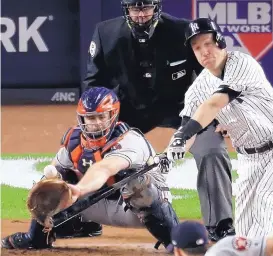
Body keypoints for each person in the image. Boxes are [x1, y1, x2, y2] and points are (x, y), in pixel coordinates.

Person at [83, 0, 235, 241]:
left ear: (157, 7)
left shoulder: (183, 31)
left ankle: (220, 225)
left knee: (211, 149)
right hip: (130, 109)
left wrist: (224, 116)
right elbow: (93, 83)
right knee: (92, 145)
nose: (141, 14)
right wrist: (95, 123)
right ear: (126, 10)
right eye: (135, 8)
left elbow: (213, 75)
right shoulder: (106, 34)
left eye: (147, 7)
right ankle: (86, 218)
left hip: (182, 106)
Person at [167, 18, 273, 239]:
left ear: (220, 41)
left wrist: (182, 135)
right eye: (197, 48)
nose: (204, 52)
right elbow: (187, 129)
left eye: (207, 44)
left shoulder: (242, 63)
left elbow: (214, 104)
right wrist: (172, 151)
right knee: (243, 232)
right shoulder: (197, 89)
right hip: (249, 161)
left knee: (263, 201)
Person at [1, 87, 178, 252]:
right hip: (94, 205)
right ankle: (41, 238)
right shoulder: (74, 141)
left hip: (137, 210)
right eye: (91, 118)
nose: (97, 123)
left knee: (137, 184)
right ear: (82, 118)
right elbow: (55, 171)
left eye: (103, 117)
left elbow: (105, 168)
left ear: (113, 116)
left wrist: (80, 189)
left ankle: (175, 240)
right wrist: (53, 187)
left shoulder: (129, 141)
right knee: (52, 185)